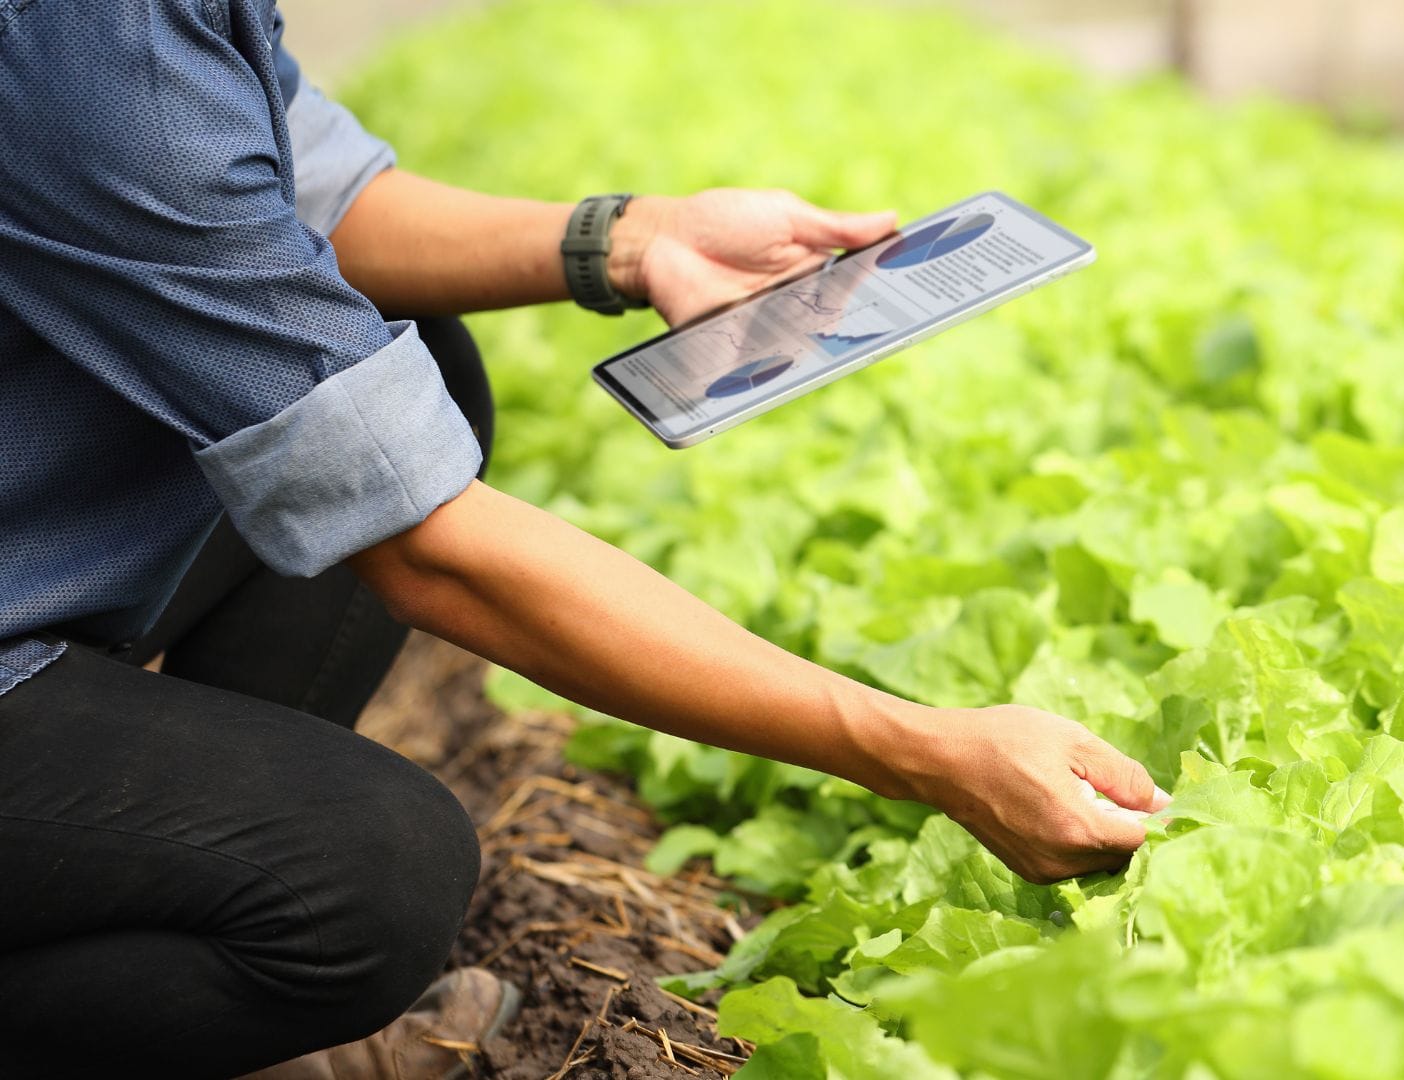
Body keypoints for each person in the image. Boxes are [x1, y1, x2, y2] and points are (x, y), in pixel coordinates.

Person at [0, 3, 1169, 1076]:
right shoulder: (91, 44)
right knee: (373, 875)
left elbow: (308, 199)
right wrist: (914, 746)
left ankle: (176, 910)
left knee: (424, 376)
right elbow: (428, 547)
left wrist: (632, 241)